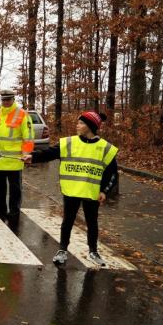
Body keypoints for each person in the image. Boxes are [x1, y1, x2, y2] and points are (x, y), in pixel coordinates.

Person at [22, 111, 118, 266]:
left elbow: (111, 173)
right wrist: (33, 157)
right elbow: (50, 153)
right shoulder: (69, 142)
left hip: (91, 192)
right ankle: (62, 250)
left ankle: (93, 251)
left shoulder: (105, 148)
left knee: (92, 222)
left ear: (90, 126)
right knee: (67, 221)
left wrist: (104, 191)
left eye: (81, 123)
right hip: (71, 190)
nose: (77, 125)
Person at [0, 89, 34, 224]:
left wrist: (26, 154)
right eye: (3, 99)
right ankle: (0, 207)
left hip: (15, 160)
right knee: (0, 187)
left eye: (8, 99)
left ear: (13, 99)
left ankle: (14, 211)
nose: (6, 102)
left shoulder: (22, 114)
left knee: (15, 189)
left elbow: (28, 137)